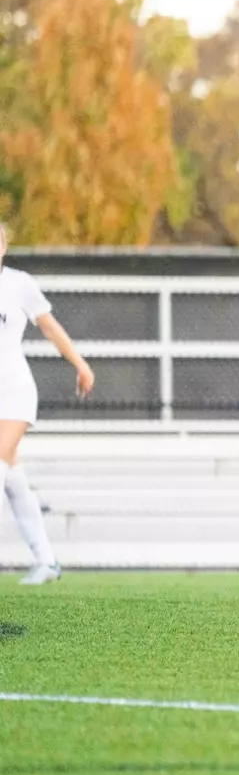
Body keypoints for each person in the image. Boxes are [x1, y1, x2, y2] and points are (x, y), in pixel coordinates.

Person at [0, 223, 94, 585]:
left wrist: (81, 364)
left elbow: (51, 328)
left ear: (4, 246)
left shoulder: (18, 283)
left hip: (14, 393)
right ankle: (47, 561)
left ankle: (46, 562)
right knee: (13, 478)